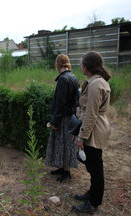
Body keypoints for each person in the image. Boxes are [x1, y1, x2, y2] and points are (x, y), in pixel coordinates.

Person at [72, 51, 111, 214]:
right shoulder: (96, 81)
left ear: (87, 67)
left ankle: (93, 203)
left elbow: (91, 113)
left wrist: (82, 136)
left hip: (94, 130)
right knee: (93, 166)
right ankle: (92, 194)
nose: (80, 66)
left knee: (95, 168)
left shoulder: (96, 84)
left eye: (82, 64)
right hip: (95, 128)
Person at [45, 54, 80, 182]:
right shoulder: (73, 77)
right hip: (70, 116)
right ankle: (62, 168)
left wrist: (55, 121)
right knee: (64, 143)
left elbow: (60, 103)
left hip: (64, 118)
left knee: (64, 143)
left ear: (57, 65)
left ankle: (66, 172)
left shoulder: (63, 79)